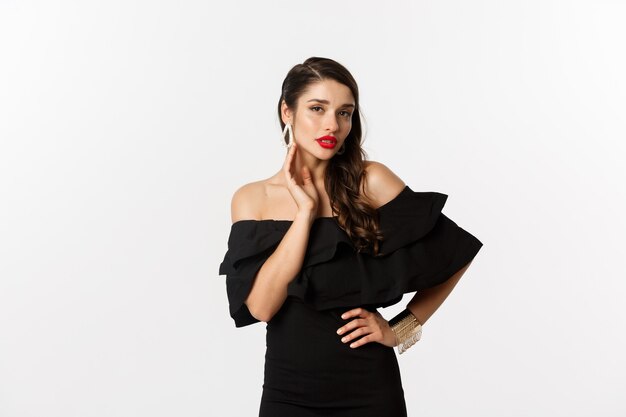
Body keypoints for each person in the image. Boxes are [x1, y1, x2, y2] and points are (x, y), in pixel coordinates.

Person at [218, 57, 483, 417]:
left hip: (369, 390)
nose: (333, 124)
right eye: (317, 108)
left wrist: (400, 329)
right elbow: (262, 308)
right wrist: (305, 213)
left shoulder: (370, 182)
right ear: (287, 111)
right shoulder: (252, 199)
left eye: (345, 112)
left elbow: (456, 254)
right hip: (288, 393)